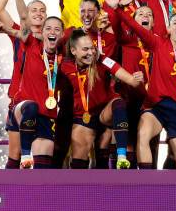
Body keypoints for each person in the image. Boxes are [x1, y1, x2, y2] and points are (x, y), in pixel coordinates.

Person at [114, 0, 176, 169]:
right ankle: (146, 184)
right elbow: (136, 27)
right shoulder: (159, 44)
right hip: (155, 106)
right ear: (168, 29)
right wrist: (119, 9)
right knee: (143, 135)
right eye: (175, 23)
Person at [62, 29, 144, 169]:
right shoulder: (64, 66)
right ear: (74, 51)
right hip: (83, 118)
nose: (90, 53)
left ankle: (122, 156)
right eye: (85, 49)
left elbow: (131, 81)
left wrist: (137, 78)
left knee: (119, 103)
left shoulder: (103, 60)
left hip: (104, 115)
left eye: (92, 48)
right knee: (78, 165)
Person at [0, 0, 47, 169]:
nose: (38, 13)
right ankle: (10, 198)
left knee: (43, 160)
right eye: (34, 9)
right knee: (14, 157)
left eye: (42, 11)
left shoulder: (50, 39)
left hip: (45, 106)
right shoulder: (18, 34)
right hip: (20, 104)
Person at [12, 17, 65, 169]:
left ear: (61, 34)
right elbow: (23, 17)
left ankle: (40, 191)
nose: (52, 32)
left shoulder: (64, 57)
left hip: (47, 116)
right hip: (23, 109)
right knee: (31, 107)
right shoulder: (32, 44)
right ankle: (25, 155)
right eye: (48, 28)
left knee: (43, 168)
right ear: (41, 33)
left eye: (56, 29)